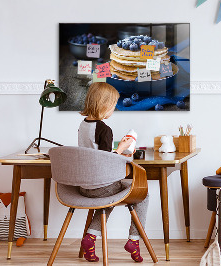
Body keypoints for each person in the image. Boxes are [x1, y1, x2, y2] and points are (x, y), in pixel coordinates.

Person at [78, 82, 148, 263]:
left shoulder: (83, 125)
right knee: (143, 194)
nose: (114, 109)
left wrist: (117, 150)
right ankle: (134, 240)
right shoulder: (104, 129)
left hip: (84, 186)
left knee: (108, 198)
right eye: (113, 105)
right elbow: (106, 160)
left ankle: (90, 238)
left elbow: (95, 154)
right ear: (104, 105)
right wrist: (123, 148)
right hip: (101, 186)